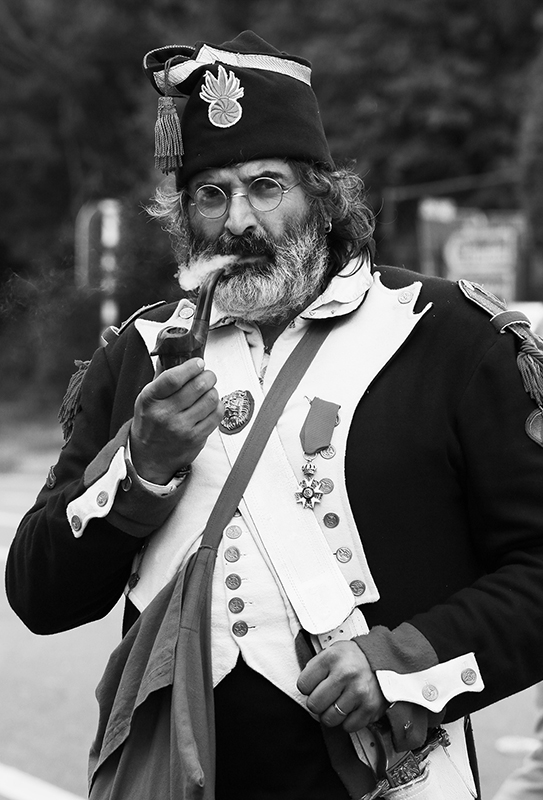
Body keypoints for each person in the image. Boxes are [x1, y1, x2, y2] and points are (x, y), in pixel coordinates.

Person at [6, 29, 543, 800]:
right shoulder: (138, 351)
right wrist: (140, 468)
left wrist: (410, 662)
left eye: (266, 185)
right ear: (184, 213)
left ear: (322, 196)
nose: (239, 222)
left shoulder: (448, 336)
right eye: (212, 194)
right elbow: (39, 595)